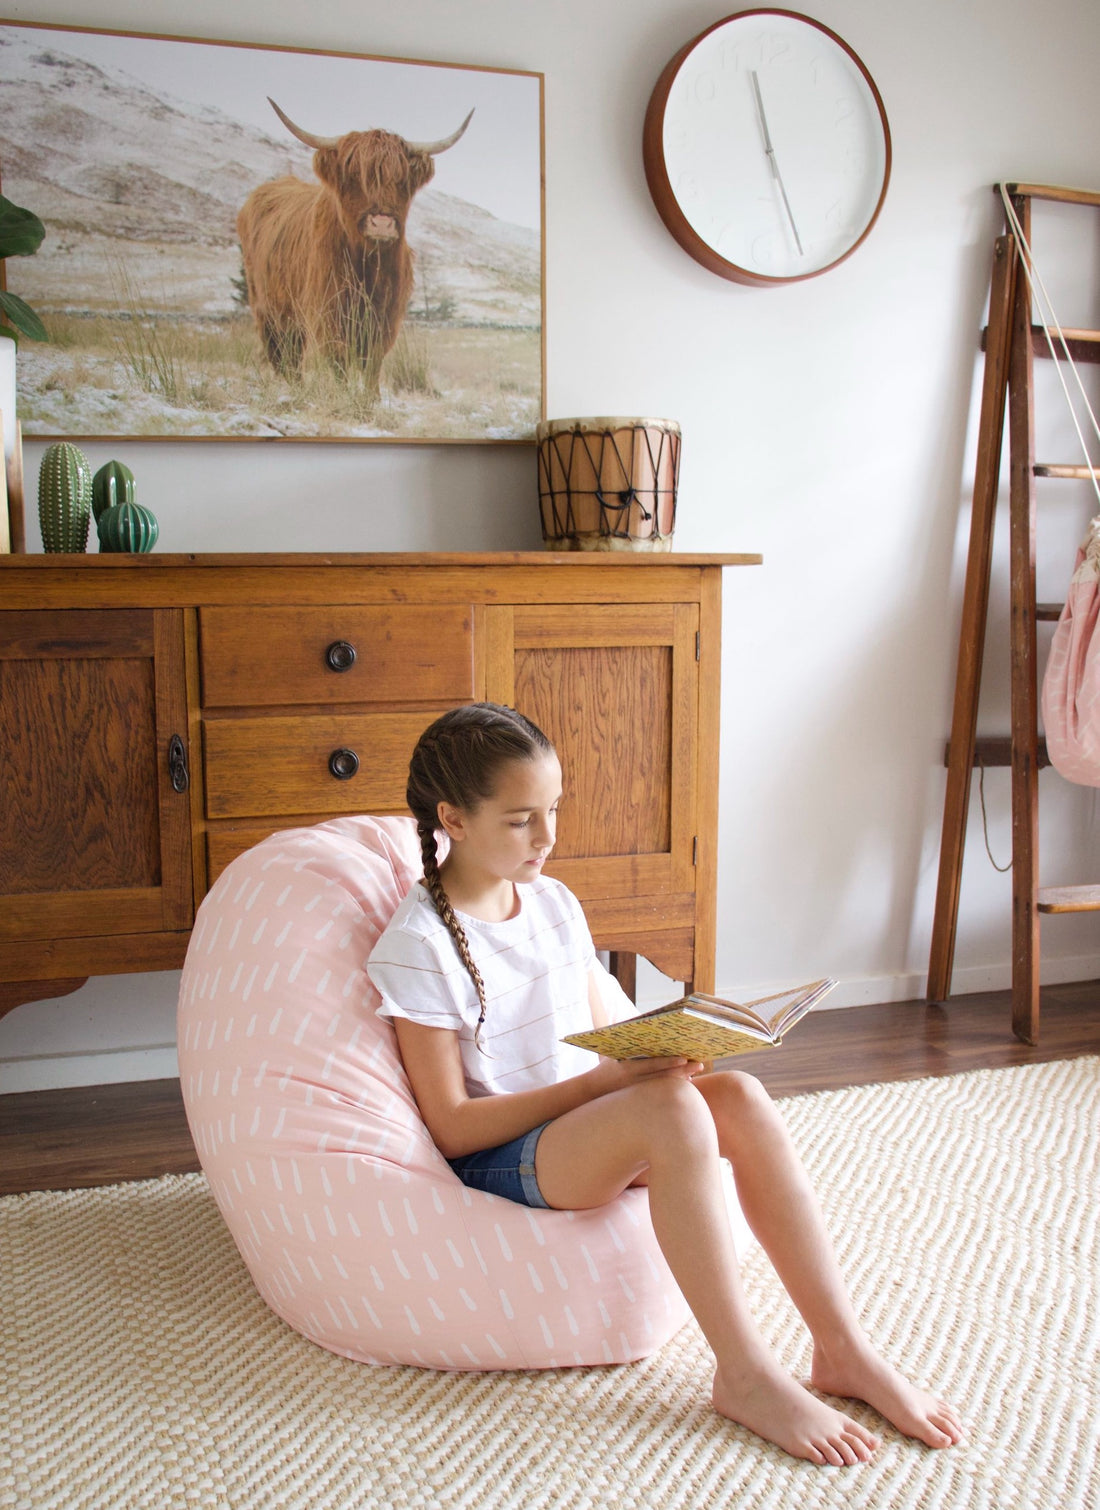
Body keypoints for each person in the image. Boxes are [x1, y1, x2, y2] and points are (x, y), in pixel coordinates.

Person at [367, 703, 964, 1466]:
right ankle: (744, 1373)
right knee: (672, 1116)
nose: (547, 838)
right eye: (521, 821)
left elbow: (595, 1041)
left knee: (739, 1098)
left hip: (577, 1124)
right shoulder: (417, 944)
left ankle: (842, 1349)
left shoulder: (552, 901)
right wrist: (608, 1088)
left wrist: (663, 1051)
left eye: (552, 811)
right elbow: (451, 1126)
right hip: (504, 1152)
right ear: (452, 817)